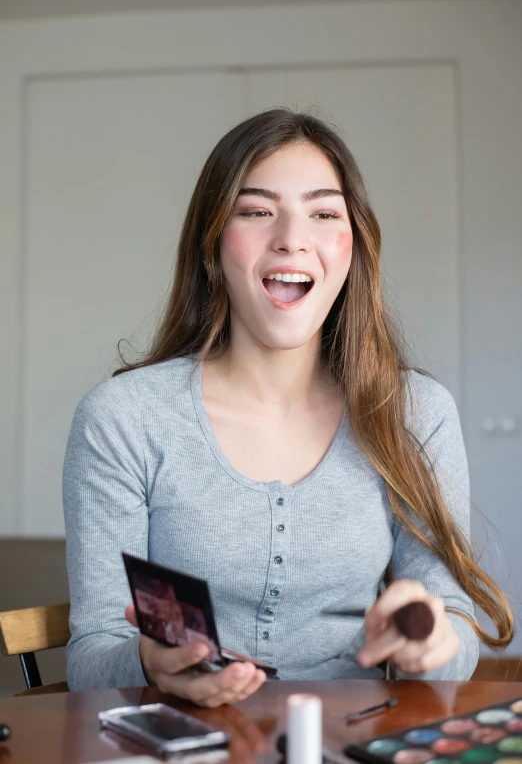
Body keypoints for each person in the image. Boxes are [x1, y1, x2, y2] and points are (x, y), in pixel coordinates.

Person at [63, 108, 513, 708]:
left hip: (357, 740)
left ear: (355, 248)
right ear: (212, 244)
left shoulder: (415, 412)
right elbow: (94, 656)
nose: (292, 238)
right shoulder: (123, 418)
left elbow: (454, 634)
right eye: (256, 211)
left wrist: (432, 638)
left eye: (325, 213)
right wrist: (148, 660)